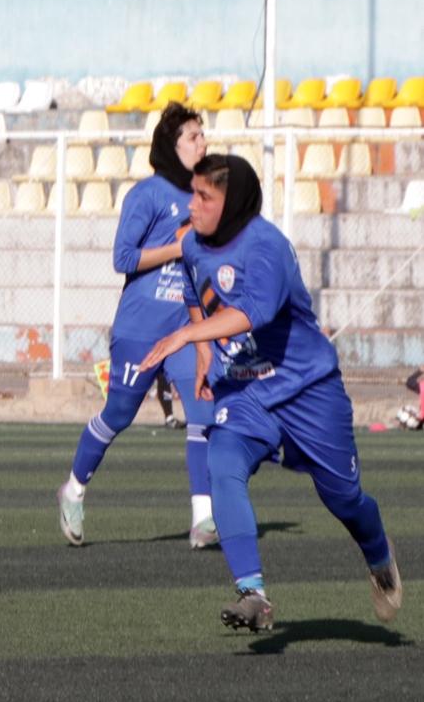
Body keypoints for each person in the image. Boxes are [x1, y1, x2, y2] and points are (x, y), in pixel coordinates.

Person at [141, 153, 402, 632]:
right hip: (244, 392)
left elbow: (251, 312)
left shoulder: (267, 246)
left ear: (233, 201)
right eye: (191, 193)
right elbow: (198, 297)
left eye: (203, 197)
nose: (190, 207)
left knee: (344, 499)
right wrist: (203, 355)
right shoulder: (194, 245)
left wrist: (184, 338)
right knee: (222, 464)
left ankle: (378, 554)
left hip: (308, 390)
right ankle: (252, 593)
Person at [57, 102, 216, 548]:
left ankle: (203, 518)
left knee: (201, 412)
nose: (202, 142)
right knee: (118, 415)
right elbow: (122, 258)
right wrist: (177, 248)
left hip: (186, 327)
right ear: (171, 144)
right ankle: (73, 490)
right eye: (193, 137)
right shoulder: (145, 195)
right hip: (140, 327)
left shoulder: (206, 196)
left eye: (203, 135)